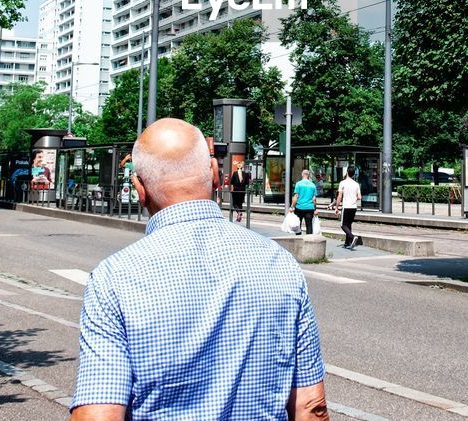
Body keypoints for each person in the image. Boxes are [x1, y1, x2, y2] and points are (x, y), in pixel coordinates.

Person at [71, 118, 328, 420]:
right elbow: (311, 407)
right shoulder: (279, 263)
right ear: (216, 174)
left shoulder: (114, 278)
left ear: (139, 189)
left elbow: (99, 414)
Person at [330, 166, 363, 250]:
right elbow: (359, 197)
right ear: (354, 174)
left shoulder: (343, 183)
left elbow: (339, 196)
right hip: (353, 207)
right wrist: (353, 198)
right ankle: (347, 242)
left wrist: (336, 207)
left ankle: (352, 237)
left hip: (346, 206)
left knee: (343, 225)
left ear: (347, 172)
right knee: (348, 224)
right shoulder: (356, 184)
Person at [292, 168, 317, 236]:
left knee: (297, 225)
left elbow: (296, 196)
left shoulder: (298, 184)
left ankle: (298, 239)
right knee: (309, 225)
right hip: (309, 208)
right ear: (308, 175)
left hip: (299, 208)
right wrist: (315, 209)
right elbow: (314, 199)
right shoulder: (313, 185)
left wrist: (292, 206)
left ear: (302, 175)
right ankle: (309, 240)